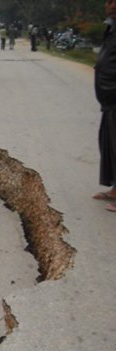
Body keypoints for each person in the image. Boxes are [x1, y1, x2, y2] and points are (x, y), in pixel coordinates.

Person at [93, 0, 116, 212]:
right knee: (109, 145)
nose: (108, 5)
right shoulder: (111, 27)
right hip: (109, 101)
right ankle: (114, 189)